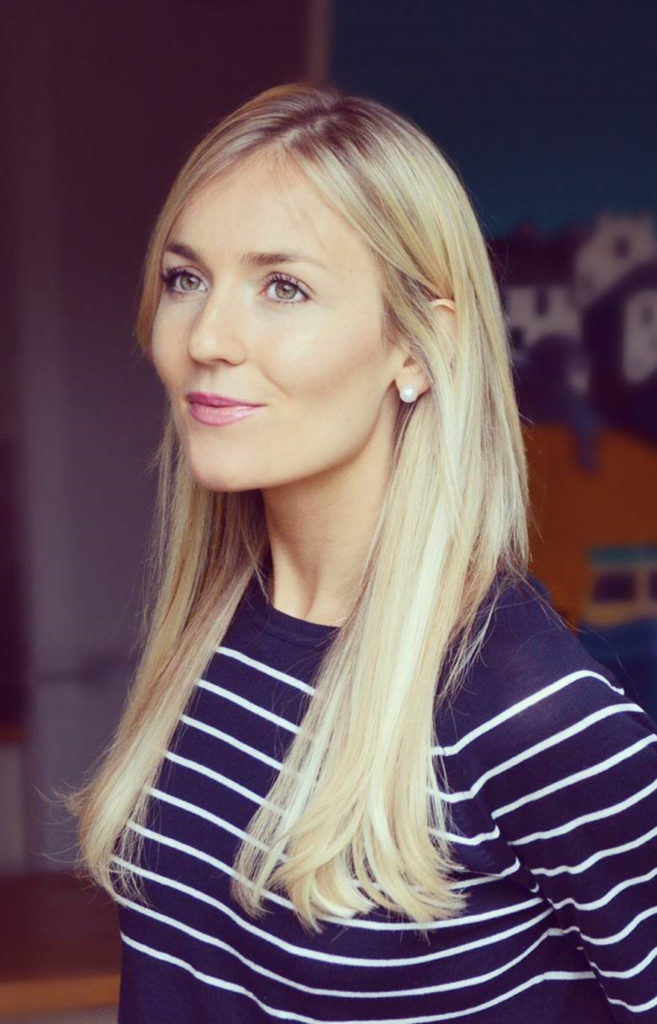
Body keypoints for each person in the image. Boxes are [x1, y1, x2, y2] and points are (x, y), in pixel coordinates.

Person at [66, 82, 657, 1023]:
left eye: (284, 287)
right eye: (186, 278)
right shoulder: (218, 636)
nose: (206, 338)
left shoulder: (525, 708)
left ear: (418, 349)